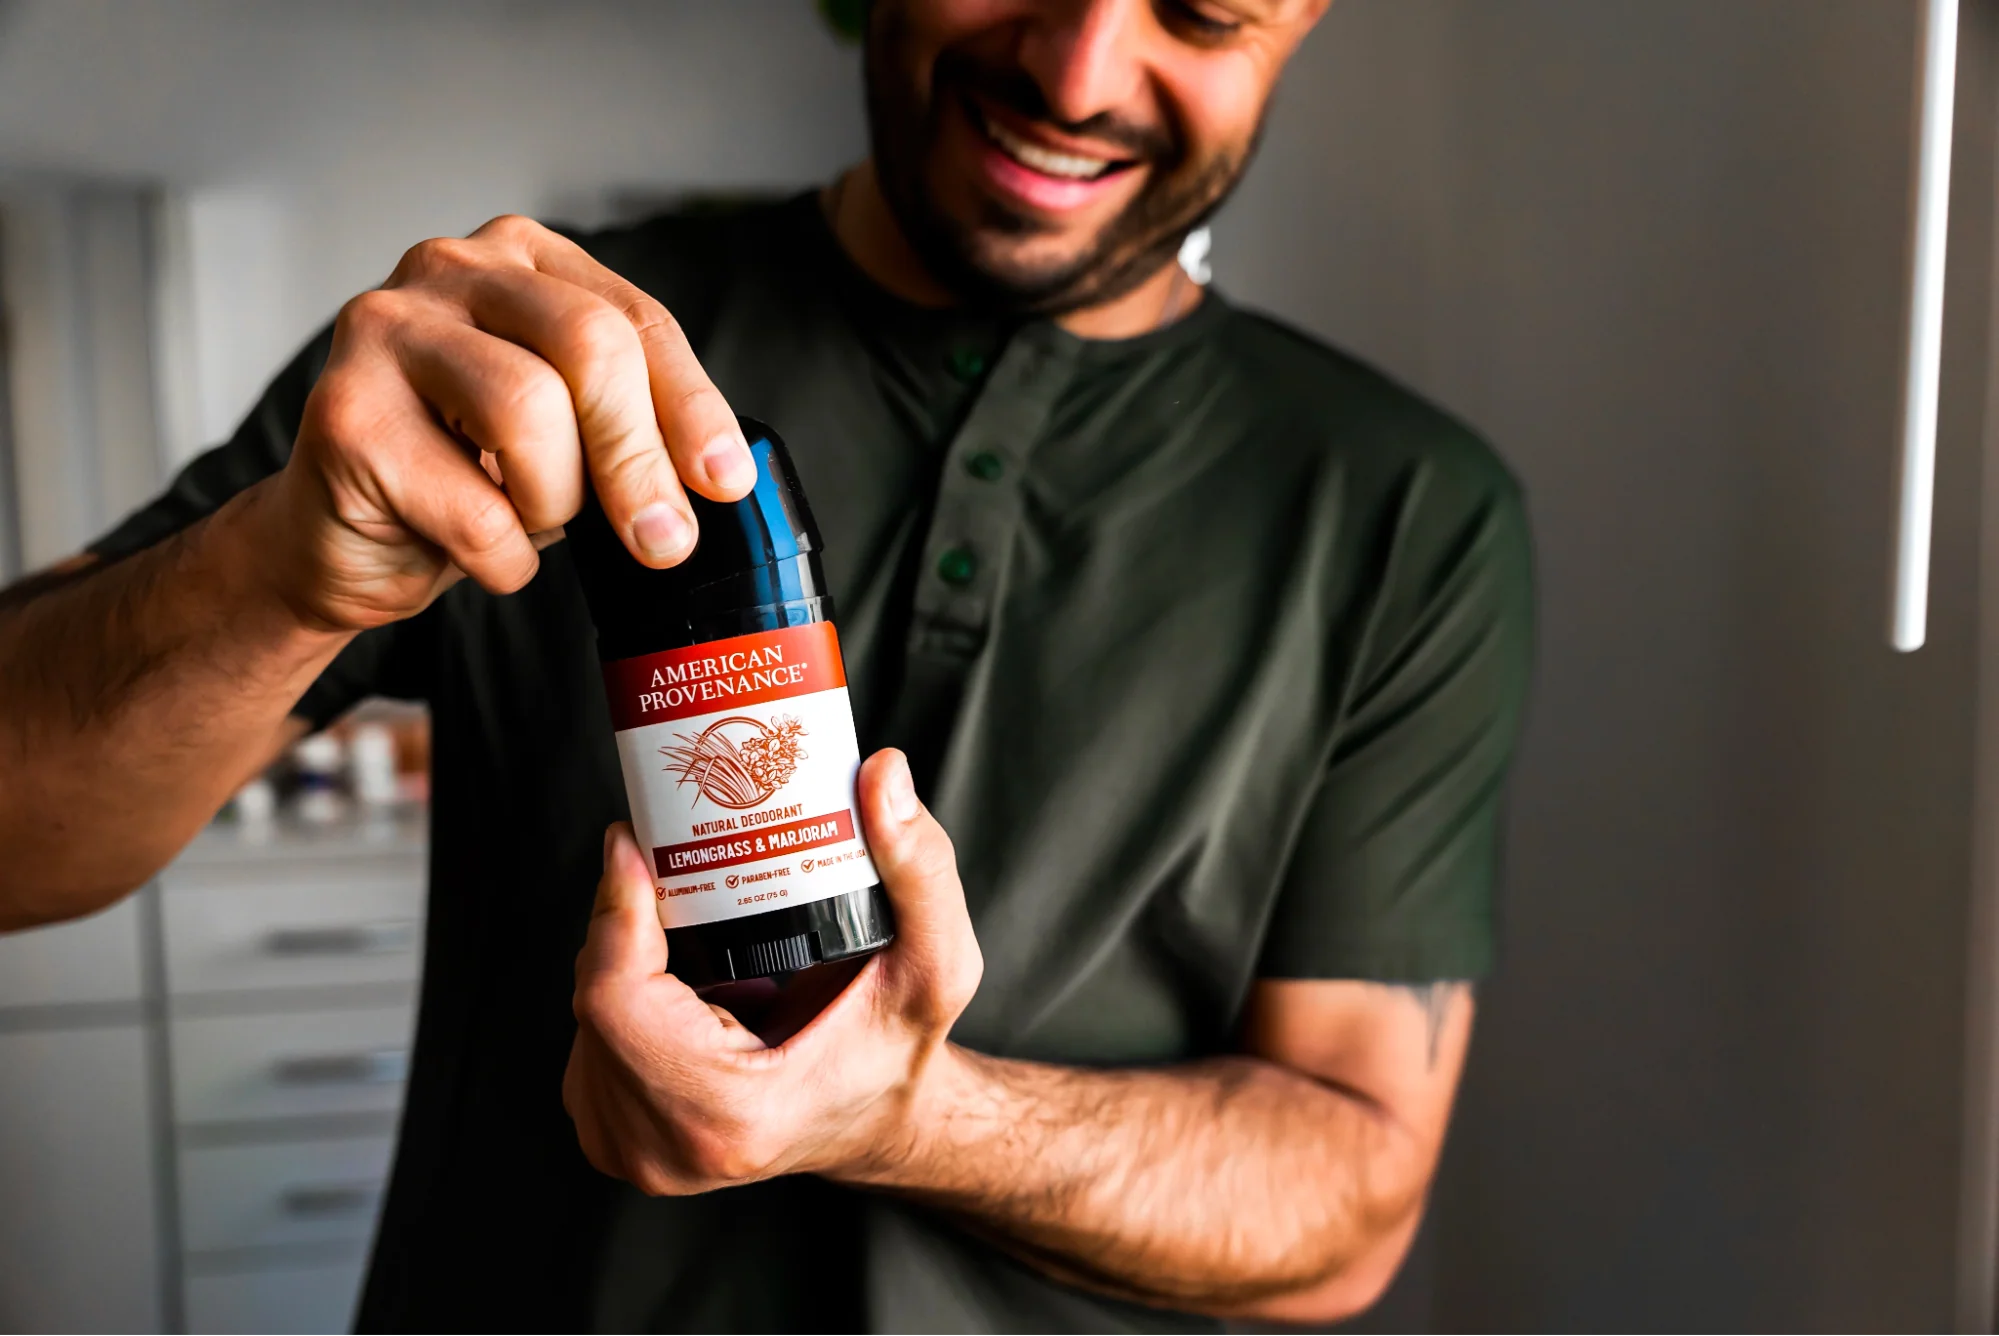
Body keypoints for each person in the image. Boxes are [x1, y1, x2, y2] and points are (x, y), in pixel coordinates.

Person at [0, 0, 1534, 1330]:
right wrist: (272, 575)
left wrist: (908, 1120)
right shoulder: (538, 349)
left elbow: (1350, 1199)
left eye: (1199, 8)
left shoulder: (1403, 510)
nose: (1079, 70)